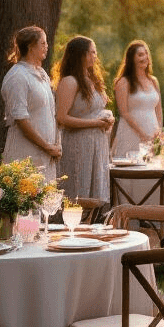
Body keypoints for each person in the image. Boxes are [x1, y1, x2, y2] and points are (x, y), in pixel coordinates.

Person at [54, 36, 113, 203]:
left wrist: (108, 119)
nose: (95, 56)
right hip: (78, 144)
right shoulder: (70, 81)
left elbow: (96, 110)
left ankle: (92, 219)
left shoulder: (92, 79)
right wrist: (95, 123)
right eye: (91, 52)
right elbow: (61, 118)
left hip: (97, 144)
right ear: (80, 54)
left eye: (95, 52)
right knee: (78, 192)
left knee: (95, 194)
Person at [2, 25, 61, 177]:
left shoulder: (42, 74)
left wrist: (56, 144)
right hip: (25, 154)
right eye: (43, 43)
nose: (47, 46)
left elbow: (50, 112)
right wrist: (47, 147)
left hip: (46, 155)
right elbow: (21, 119)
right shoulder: (18, 76)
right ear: (31, 47)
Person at [113, 40, 163, 156]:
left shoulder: (153, 81)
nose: (145, 57)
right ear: (132, 59)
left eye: (146, 54)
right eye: (140, 55)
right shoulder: (123, 82)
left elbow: (158, 110)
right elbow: (124, 113)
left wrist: (159, 131)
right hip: (131, 133)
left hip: (152, 134)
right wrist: (142, 134)